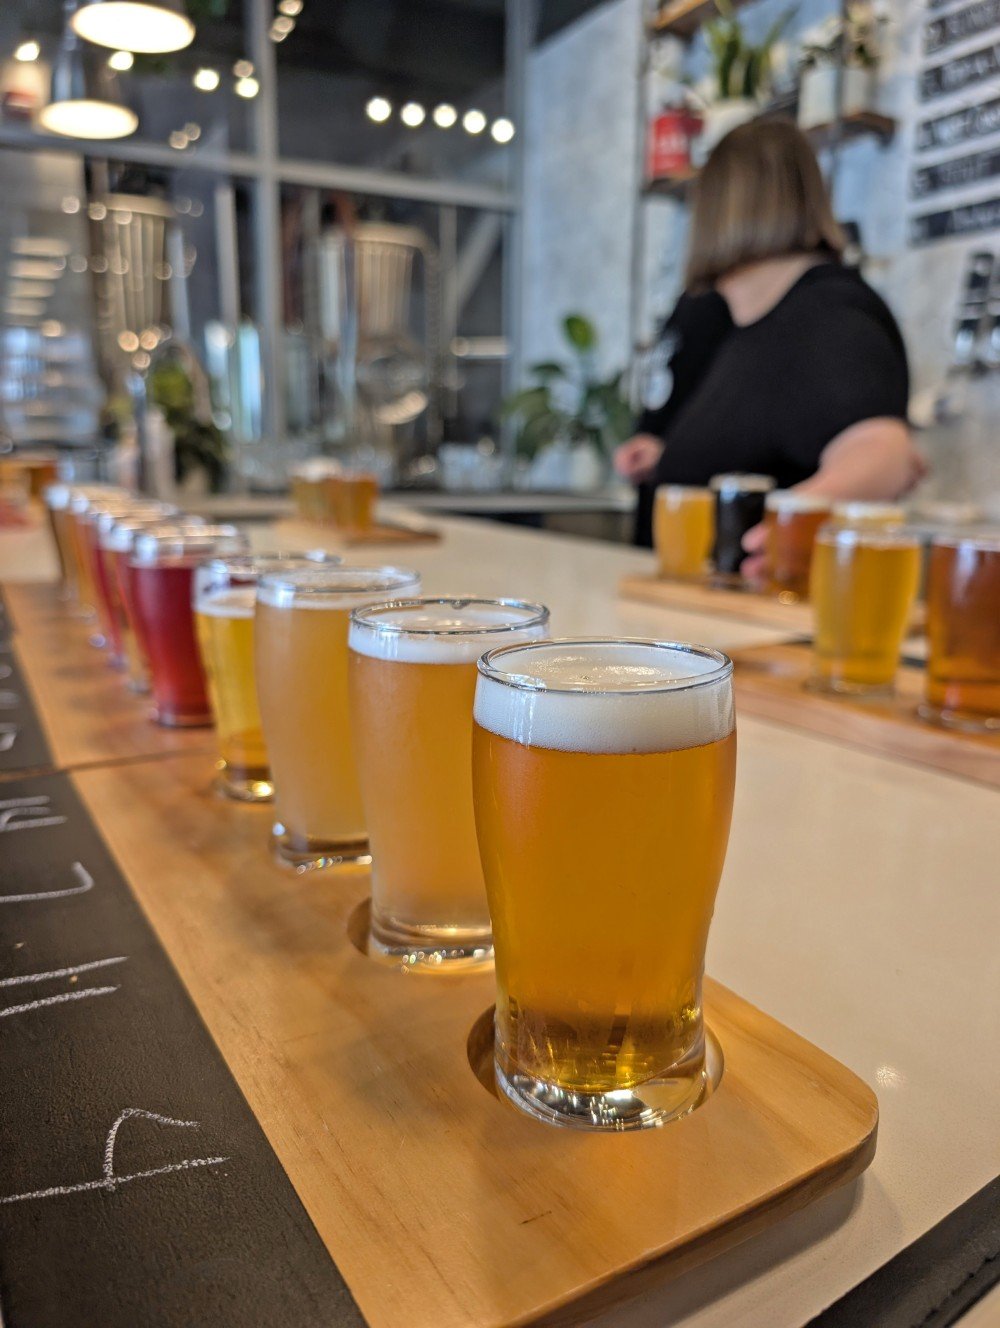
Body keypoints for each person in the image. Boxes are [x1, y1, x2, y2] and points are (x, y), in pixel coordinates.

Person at [615, 119, 924, 576]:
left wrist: (787, 523)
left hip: (757, 624)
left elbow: (886, 454)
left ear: (719, 210)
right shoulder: (752, 322)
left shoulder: (826, 313)